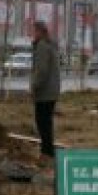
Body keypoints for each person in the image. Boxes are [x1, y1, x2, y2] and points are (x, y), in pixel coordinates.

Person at [30, 21, 61, 159]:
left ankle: (46, 152)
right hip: (52, 90)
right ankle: (48, 151)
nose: (33, 34)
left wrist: (34, 86)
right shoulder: (51, 45)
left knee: (42, 122)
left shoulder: (42, 46)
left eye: (34, 31)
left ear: (39, 31)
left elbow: (41, 71)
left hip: (44, 91)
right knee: (46, 122)